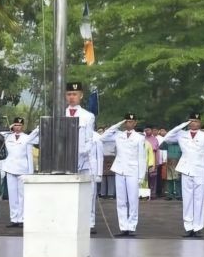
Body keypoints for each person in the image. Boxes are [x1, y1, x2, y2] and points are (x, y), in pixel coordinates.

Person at [163, 113, 204, 238]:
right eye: (191, 121)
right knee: (187, 200)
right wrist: (182, 125)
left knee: (198, 200)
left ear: (200, 123)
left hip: (200, 171)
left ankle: (197, 227)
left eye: (196, 121)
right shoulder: (182, 135)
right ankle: (188, 227)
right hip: (186, 170)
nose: (193, 123)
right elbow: (167, 138)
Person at [60, 81, 100, 235]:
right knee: (68, 192)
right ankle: (69, 220)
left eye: (75, 94)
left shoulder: (87, 116)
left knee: (88, 192)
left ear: (81, 96)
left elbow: (89, 139)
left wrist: (83, 153)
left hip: (84, 158)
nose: (72, 97)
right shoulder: (60, 114)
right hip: (66, 159)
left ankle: (89, 222)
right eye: (69, 94)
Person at [101, 114, 150, 237]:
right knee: (121, 201)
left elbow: (142, 158)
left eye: (131, 122)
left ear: (135, 123)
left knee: (133, 200)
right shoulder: (118, 135)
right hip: (119, 169)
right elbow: (104, 136)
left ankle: (132, 226)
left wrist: (141, 176)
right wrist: (118, 123)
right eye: (126, 121)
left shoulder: (139, 138)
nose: (128, 124)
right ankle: (123, 227)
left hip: (133, 171)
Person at [1, 117, 39, 228]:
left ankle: (22, 219)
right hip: (10, 168)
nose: (17, 127)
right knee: (12, 196)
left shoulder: (27, 138)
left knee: (22, 195)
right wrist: (9, 129)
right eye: (16, 125)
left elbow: (29, 155)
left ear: (23, 127)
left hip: (23, 169)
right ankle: (14, 219)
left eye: (19, 125)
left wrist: (30, 172)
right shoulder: (7, 137)